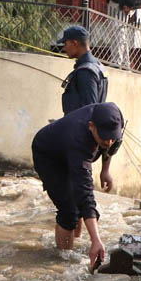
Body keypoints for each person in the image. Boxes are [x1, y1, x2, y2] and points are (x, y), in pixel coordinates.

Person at [30, 102, 123, 268]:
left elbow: (111, 146)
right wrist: (96, 240)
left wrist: (105, 171)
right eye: (104, 137)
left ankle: (75, 243)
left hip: (70, 149)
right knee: (69, 210)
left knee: (78, 206)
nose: (109, 142)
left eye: (112, 137)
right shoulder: (79, 138)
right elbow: (85, 192)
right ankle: (62, 263)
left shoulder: (114, 118)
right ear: (91, 126)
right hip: (49, 155)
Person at [57, 25, 108, 114]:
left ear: (75, 43)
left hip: (80, 127)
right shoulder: (98, 66)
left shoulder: (85, 72)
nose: (64, 48)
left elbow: (88, 111)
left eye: (66, 44)